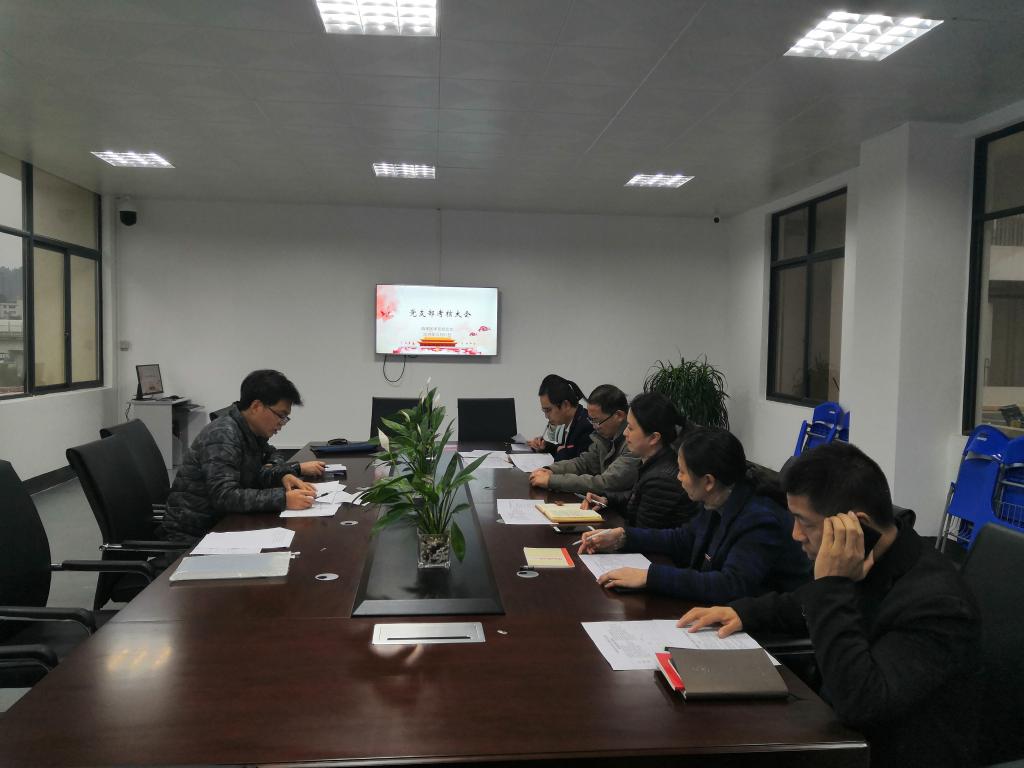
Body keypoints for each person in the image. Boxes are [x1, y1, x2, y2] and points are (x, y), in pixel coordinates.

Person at [678, 442, 980, 768]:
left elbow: (861, 703)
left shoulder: (937, 605)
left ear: (855, 526)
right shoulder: (875, 559)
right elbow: (803, 603)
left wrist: (832, 586)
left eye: (804, 522)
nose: (795, 535)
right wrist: (743, 612)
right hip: (835, 735)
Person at [578, 426, 809, 602]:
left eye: (682, 472)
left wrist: (650, 577)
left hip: (764, 635)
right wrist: (623, 537)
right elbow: (684, 538)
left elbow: (731, 585)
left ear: (708, 481)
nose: (677, 478)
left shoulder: (759, 519)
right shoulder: (720, 498)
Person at [160, 369, 318, 544]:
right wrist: (283, 499)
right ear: (256, 406)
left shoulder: (249, 431)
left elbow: (271, 456)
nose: (282, 423)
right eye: (281, 415)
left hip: (223, 526)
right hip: (192, 538)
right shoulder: (223, 435)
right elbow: (224, 496)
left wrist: (281, 475)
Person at [582, 391, 697, 528]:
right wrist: (607, 500)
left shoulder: (661, 479)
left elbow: (644, 535)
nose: (625, 433)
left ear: (654, 438)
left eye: (630, 428)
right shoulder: (655, 462)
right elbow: (636, 497)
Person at [529, 384, 638, 495]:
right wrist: (550, 470)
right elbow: (583, 463)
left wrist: (552, 481)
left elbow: (606, 483)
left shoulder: (633, 445)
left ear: (618, 416)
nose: (594, 426)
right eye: (591, 420)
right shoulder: (604, 437)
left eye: (596, 421)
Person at [526, 374, 593, 461]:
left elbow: (578, 463)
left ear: (565, 405)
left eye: (548, 410)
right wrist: (546, 446)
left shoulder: (587, 427)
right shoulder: (574, 420)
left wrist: (561, 451)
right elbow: (567, 451)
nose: (546, 416)